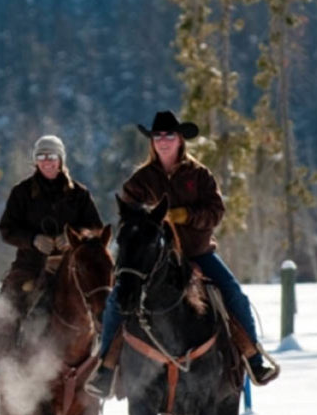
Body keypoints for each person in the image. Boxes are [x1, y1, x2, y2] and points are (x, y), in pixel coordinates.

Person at [85, 111, 279, 398]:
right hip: (151, 260)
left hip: (196, 253)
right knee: (117, 299)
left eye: (169, 136)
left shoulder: (199, 175)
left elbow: (216, 211)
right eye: (158, 136)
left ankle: (253, 358)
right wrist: (146, 220)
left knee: (233, 293)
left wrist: (187, 215)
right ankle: (106, 367)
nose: (163, 141)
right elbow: (127, 211)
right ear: (152, 142)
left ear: (180, 140)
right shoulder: (141, 180)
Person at [0, 135, 103, 402]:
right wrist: (33, 240)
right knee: (2, 315)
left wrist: (72, 238)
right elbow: (6, 230)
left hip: (70, 269)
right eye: (42, 156)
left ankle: (106, 370)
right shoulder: (21, 192)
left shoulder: (79, 195)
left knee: (103, 304)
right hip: (29, 267)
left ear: (61, 160)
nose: (47, 161)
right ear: (36, 161)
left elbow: (95, 229)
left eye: (52, 156)